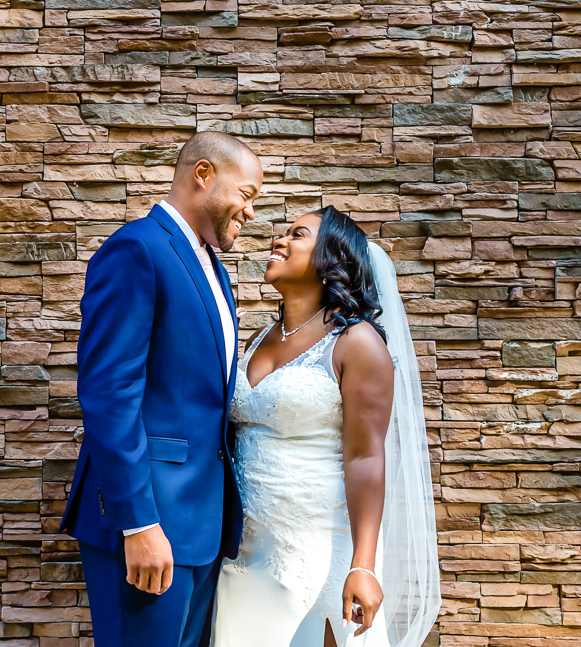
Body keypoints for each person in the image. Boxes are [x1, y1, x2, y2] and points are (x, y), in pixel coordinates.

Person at [59, 131, 264, 647]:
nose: (251, 212)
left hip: (201, 526)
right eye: (247, 194)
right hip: (151, 522)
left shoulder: (213, 267)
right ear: (203, 175)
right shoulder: (137, 249)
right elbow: (110, 391)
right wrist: (138, 523)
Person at [212, 206, 441, 647]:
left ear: (330, 258)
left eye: (296, 235)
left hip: (317, 555)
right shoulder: (260, 337)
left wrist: (363, 565)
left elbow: (366, 456)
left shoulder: (357, 344)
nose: (278, 240)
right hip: (245, 555)